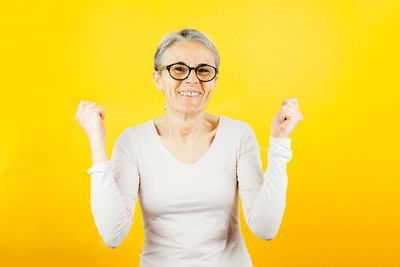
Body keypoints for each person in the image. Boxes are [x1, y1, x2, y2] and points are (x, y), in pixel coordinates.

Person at [75, 28, 304, 267]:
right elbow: (113, 234)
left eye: (203, 70)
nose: (192, 79)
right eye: (179, 69)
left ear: (214, 81)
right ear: (158, 79)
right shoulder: (133, 142)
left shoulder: (239, 135)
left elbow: (265, 228)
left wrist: (279, 144)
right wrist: (96, 140)